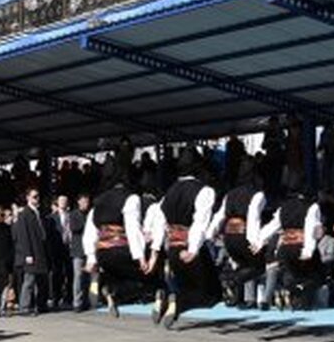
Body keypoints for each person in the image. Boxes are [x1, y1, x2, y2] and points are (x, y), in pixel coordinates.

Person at [148, 152, 220, 328]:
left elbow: (159, 221)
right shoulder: (204, 191)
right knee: (211, 295)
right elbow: (199, 222)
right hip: (190, 248)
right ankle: (176, 302)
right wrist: (193, 249)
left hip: (172, 248)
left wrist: (155, 252)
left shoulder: (169, 192)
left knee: (187, 286)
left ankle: (166, 298)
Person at [84, 140, 155, 315]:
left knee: (115, 274)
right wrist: (140, 257)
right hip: (121, 248)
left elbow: (90, 230)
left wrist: (91, 258)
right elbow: (132, 228)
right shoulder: (131, 198)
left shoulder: (99, 201)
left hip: (101, 252)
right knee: (145, 281)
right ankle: (111, 290)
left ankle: (104, 285)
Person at [258, 193, 324, 310]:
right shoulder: (312, 207)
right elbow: (310, 228)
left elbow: (272, 226)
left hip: (285, 248)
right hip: (301, 246)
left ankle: (297, 299)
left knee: (292, 275)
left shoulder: (283, 208)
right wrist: (308, 250)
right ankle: (302, 298)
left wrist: (259, 239)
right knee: (317, 276)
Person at [209, 181, 268, 308]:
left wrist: (210, 233)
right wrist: (254, 241)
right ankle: (232, 281)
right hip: (243, 234)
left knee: (243, 266)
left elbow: (220, 215)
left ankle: (237, 296)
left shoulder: (229, 195)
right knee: (259, 266)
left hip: (228, 236)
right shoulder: (257, 195)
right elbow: (253, 216)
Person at [12, 189, 48, 316]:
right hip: (31, 252)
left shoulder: (38, 213)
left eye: (38, 196)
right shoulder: (24, 214)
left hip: (40, 250)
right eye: (34, 196)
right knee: (29, 281)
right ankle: (25, 307)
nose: (36, 199)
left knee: (41, 280)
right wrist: (27, 254)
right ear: (28, 198)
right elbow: (23, 236)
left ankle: (41, 305)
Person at [68, 195, 91, 312]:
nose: (86, 204)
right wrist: (87, 224)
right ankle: (77, 302)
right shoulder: (74, 214)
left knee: (87, 277)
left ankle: (85, 300)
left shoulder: (89, 214)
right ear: (79, 202)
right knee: (78, 276)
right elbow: (74, 228)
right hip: (78, 250)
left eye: (87, 202)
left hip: (88, 250)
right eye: (84, 201)